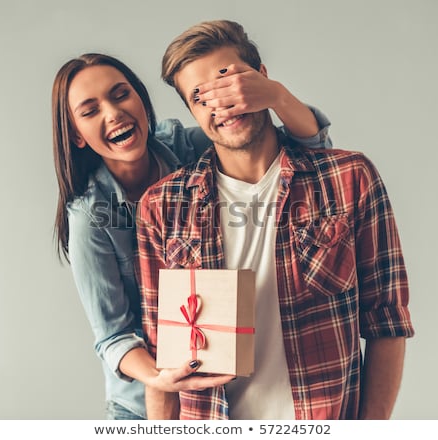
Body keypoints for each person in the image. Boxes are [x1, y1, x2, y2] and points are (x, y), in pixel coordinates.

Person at [137, 20, 415, 420]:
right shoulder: (161, 206)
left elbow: (387, 322)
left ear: (262, 78)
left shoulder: (349, 177)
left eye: (229, 82)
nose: (221, 104)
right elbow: (160, 357)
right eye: (200, 97)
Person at [51, 52, 331, 420]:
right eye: (90, 111)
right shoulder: (89, 216)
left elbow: (307, 148)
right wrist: (162, 377)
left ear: (141, 99)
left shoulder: (186, 148)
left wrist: (276, 96)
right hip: (142, 404)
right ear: (76, 135)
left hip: (227, 393)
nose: (113, 113)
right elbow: (112, 337)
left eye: (120, 95)